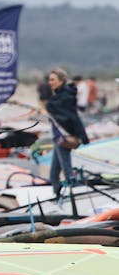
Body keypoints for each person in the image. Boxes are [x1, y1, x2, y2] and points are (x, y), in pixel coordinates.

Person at [46, 67, 89, 195]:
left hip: (64, 137)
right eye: (49, 80)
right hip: (58, 137)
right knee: (54, 174)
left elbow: (68, 117)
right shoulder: (60, 96)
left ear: (61, 81)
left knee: (67, 171)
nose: (50, 82)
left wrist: (50, 107)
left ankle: (75, 195)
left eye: (53, 80)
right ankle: (57, 195)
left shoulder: (65, 97)